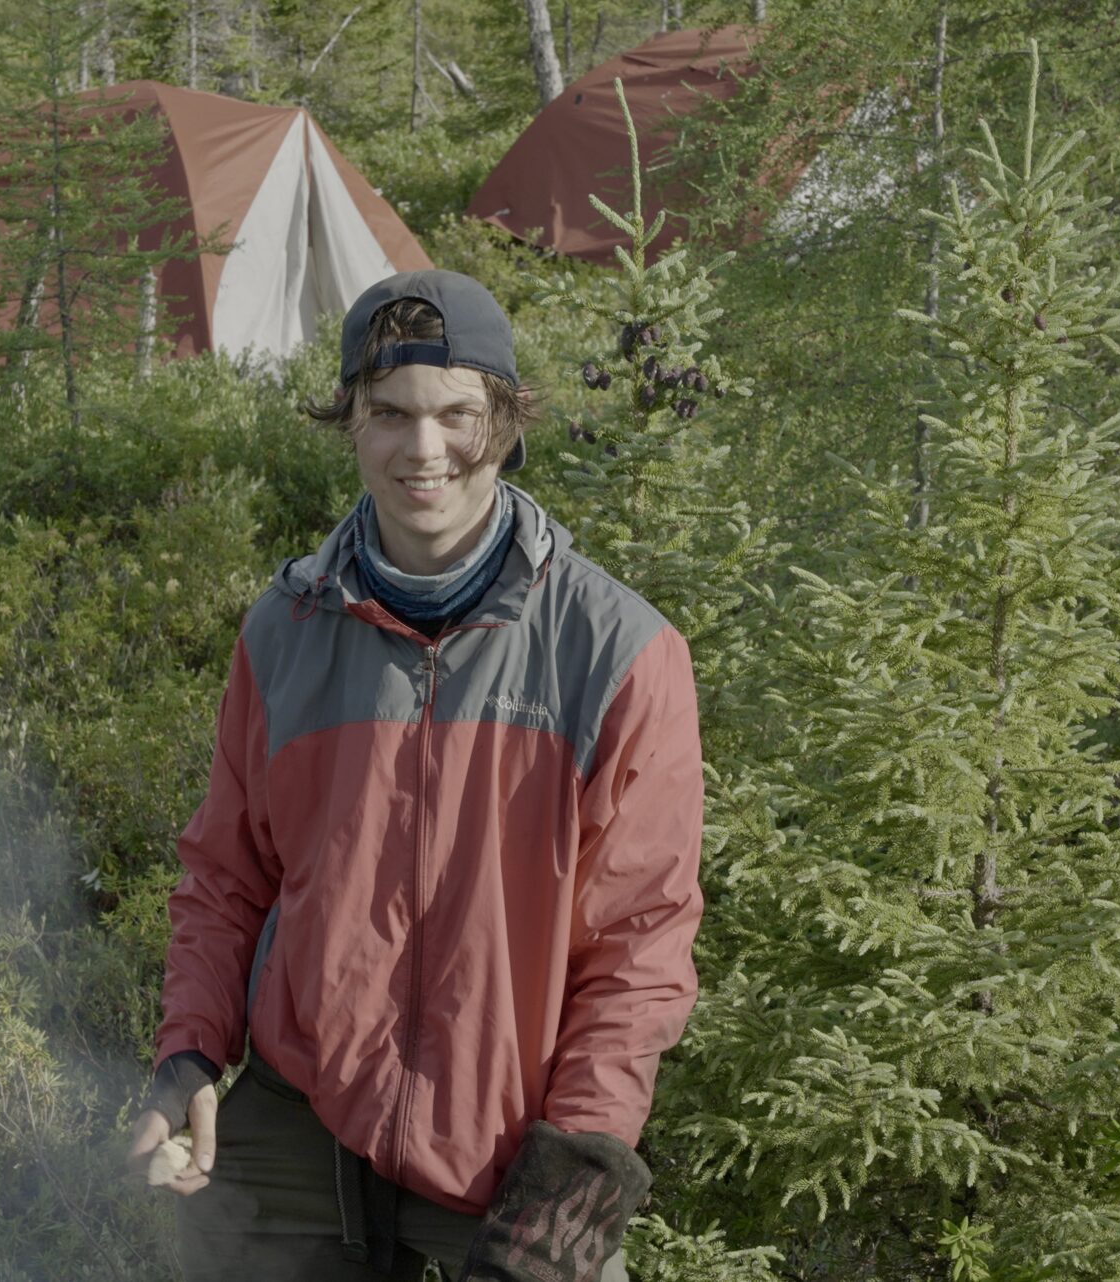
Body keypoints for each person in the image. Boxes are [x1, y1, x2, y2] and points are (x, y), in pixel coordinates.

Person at [127, 269, 704, 1282]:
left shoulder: (619, 653)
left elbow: (640, 951)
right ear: (347, 419)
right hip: (300, 1118)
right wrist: (187, 1055)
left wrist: (568, 1186)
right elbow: (226, 876)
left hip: (509, 1147)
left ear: (509, 422)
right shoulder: (284, 633)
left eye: (458, 414)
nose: (422, 449)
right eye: (388, 412)